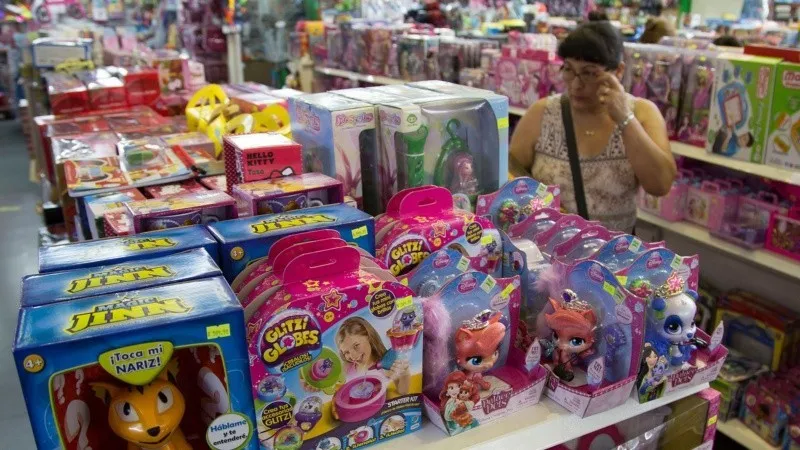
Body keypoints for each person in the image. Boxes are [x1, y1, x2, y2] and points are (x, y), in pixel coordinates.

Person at [510, 22, 676, 232]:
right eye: (568, 69)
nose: (576, 84)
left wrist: (625, 119)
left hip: (615, 249)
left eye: (589, 73)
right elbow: (511, 176)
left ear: (618, 71)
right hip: (549, 246)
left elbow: (660, 185)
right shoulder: (542, 113)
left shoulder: (643, 113)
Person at [336, 317, 410, 394]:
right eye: (346, 352)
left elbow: (403, 391)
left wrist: (404, 371)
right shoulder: (348, 369)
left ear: (368, 337)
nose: (353, 356)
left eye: (356, 346)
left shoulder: (387, 364)